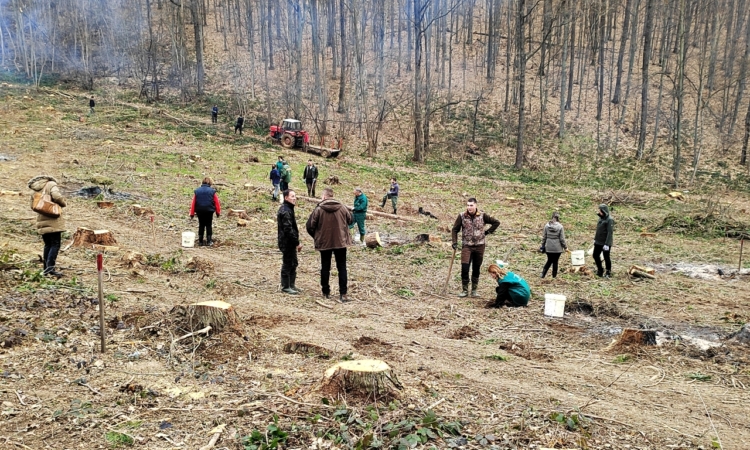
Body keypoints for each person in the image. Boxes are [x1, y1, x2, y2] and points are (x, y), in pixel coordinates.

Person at [306, 188, 353, 302]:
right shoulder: (342, 207)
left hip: (324, 243)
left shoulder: (318, 209)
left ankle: (325, 292)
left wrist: (317, 236)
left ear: (324, 197)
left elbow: (309, 226)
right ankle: (343, 293)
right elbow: (351, 220)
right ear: (332, 196)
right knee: (342, 267)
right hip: (340, 242)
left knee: (325, 267)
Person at [451, 198, 500, 297]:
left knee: (476, 268)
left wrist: (487, 232)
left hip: (479, 246)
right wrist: (454, 242)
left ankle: (474, 290)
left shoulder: (482, 215)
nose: (469, 207)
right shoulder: (462, 216)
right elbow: (454, 230)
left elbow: (496, 222)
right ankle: (465, 290)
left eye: (471, 205)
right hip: (467, 246)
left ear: (476, 205)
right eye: (468, 205)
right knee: (465, 267)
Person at [28, 175, 67, 278]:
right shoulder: (51, 184)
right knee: (55, 244)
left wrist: (43, 208)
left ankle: (46, 268)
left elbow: (32, 205)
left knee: (48, 244)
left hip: (41, 220)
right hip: (53, 220)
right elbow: (57, 196)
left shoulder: (34, 189)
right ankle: (50, 269)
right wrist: (63, 204)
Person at [277, 189, 302, 295]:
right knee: (288, 263)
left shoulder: (289, 208)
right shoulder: (285, 210)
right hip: (286, 242)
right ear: (286, 198)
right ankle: (285, 286)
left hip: (290, 242)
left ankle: (291, 284)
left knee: (294, 263)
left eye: (295, 196)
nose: (294, 198)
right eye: (292, 196)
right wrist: (297, 242)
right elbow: (288, 229)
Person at [189, 177, 221, 246]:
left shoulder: (197, 191)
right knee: (208, 225)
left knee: (201, 225)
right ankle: (209, 241)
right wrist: (218, 212)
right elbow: (217, 202)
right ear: (210, 183)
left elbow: (193, 203)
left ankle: (200, 241)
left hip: (199, 211)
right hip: (209, 211)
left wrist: (192, 213)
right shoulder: (212, 191)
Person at [540, 211, 567, 279]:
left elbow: (544, 237)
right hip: (557, 248)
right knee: (555, 261)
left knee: (549, 260)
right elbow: (562, 239)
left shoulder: (546, 226)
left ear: (552, 217)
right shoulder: (560, 227)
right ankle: (554, 276)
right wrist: (565, 247)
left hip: (548, 247)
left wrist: (543, 245)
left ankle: (543, 274)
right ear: (558, 218)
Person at [593, 204, 615, 278]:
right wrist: (595, 239)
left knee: (606, 257)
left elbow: (610, 232)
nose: (599, 211)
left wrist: (607, 244)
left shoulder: (610, 220)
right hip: (598, 241)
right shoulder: (600, 218)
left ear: (604, 211)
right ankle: (600, 270)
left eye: (600, 210)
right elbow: (598, 230)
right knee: (595, 255)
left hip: (605, 242)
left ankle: (608, 271)